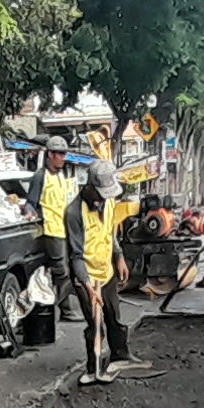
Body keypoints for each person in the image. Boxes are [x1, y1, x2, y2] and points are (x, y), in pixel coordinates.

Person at [65, 159, 134, 382]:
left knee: (114, 316)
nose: (103, 199)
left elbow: (110, 234)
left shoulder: (109, 202)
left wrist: (119, 256)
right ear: (90, 186)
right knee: (95, 322)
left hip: (107, 272)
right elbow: (75, 256)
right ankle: (93, 367)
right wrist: (88, 287)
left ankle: (120, 355)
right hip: (86, 276)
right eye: (100, 194)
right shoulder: (74, 212)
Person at [29, 136, 83, 326]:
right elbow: (31, 204)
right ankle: (52, 309)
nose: (63, 157)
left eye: (64, 154)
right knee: (62, 272)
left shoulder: (61, 176)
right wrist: (31, 215)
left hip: (65, 230)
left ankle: (61, 308)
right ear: (50, 155)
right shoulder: (40, 176)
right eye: (59, 154)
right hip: (51, 231)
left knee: (67, 272)